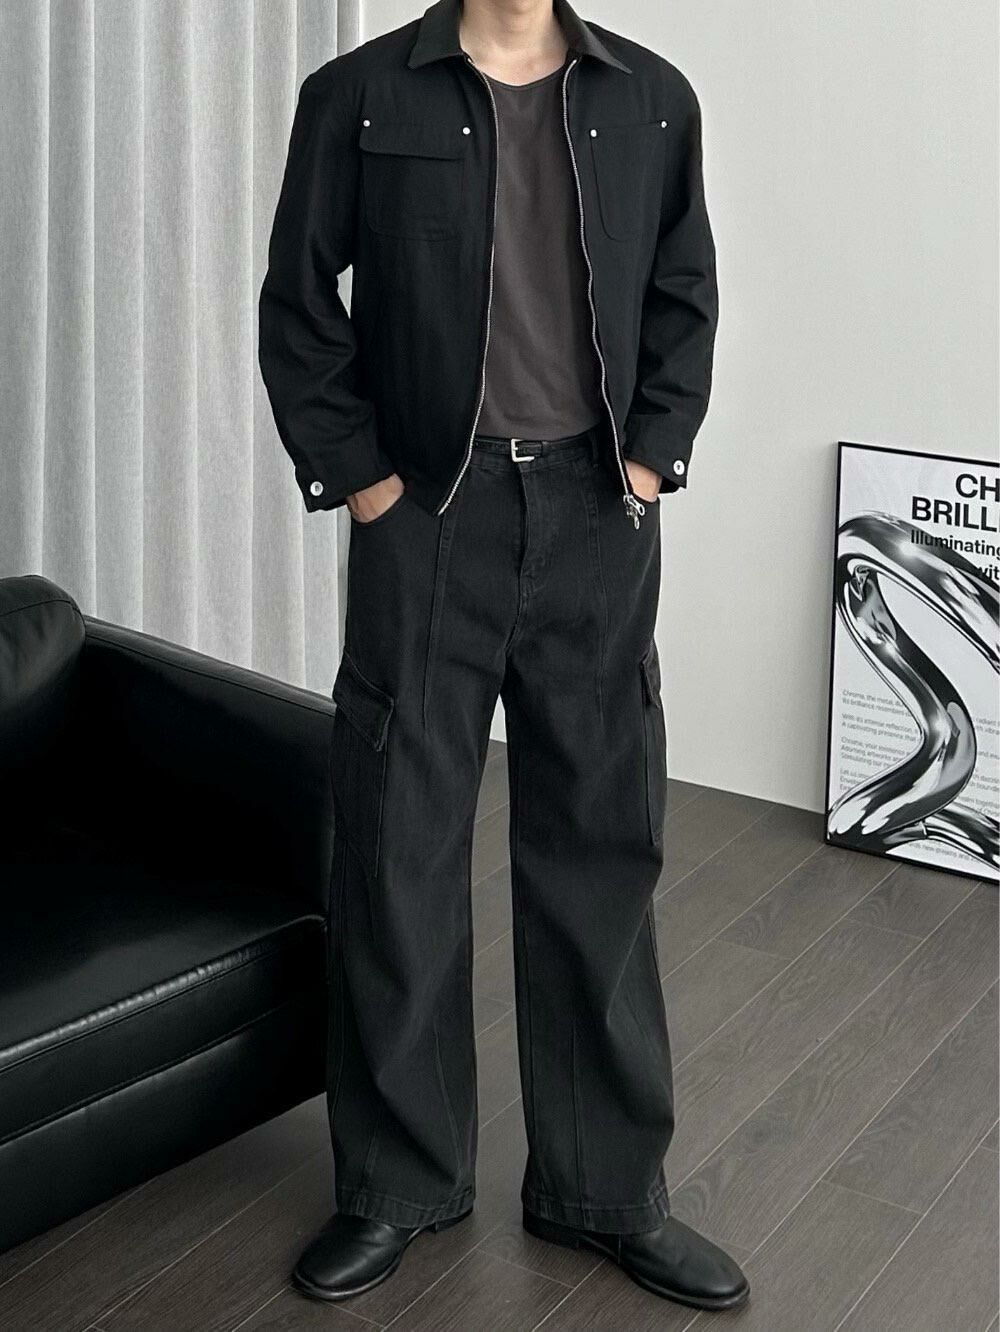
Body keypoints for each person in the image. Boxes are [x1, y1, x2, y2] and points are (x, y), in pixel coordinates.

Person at [258, 0, 749, 1312]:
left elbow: (687, 293)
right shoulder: (358, 95)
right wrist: (365, 483)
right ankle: (395, 1185)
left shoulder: (652, 98)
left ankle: (606, 1192)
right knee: (398, 848)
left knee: (601, 847)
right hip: (429, 512)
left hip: (597, 512)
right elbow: (297, 304)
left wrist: (650, 459)